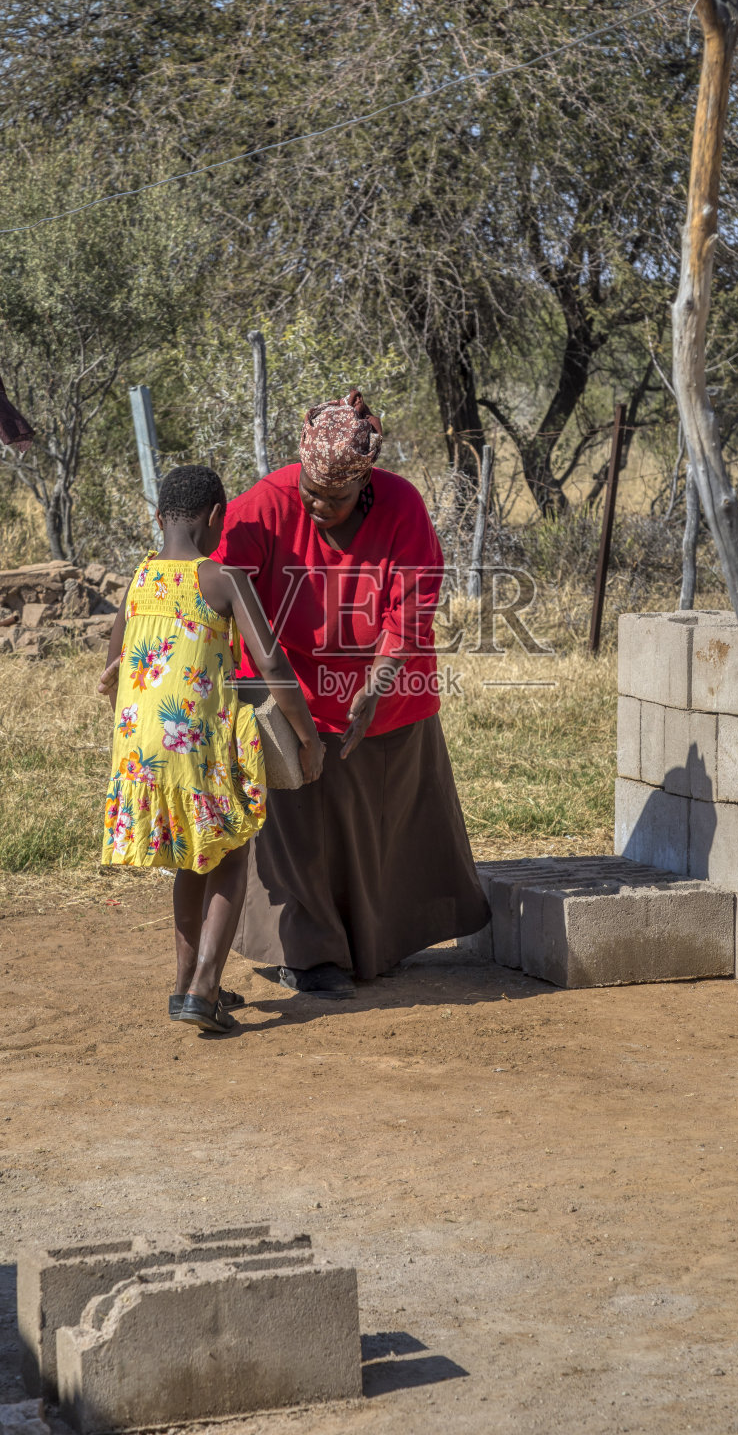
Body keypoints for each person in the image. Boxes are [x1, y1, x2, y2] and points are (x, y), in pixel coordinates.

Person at [215, 388, 490, 997]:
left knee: (381, 824)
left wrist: (376, 685)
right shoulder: (265, 503)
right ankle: (309, 953)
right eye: (310, 493)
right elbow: (218, 581)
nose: (318, 506)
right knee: (297, 832)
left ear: (365, 482)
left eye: (334, 499)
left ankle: (375, 944)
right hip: (288, 695)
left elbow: (412, 607)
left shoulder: (401, 504)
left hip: (385, 695)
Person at [98, 464, 324, 1033]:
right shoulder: (221, 579)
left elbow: (114, 662)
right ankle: (203, 988)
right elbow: (271, 663)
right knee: (230, 854)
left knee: (189, 856)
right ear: (218, 516)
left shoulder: (140, 577)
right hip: (196, 739)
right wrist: (307, 737)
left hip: (140, 746)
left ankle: (186, 986)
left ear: (159, 517)